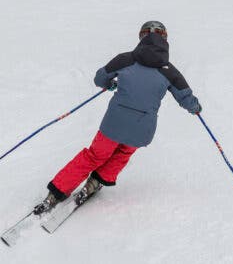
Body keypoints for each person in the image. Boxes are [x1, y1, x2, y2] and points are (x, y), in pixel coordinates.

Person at [33, 20, 201, 214]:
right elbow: (187, 99)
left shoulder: (125, 59)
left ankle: (57, 192)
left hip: (114, 124)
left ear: (141, 37)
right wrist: (195, 108)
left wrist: (111, 83)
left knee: (94, 155)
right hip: (142, 129)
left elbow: (99, 78)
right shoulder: (170, 72)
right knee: (122, 154)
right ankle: (95, 183)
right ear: (165, 39)